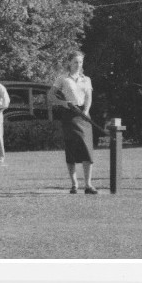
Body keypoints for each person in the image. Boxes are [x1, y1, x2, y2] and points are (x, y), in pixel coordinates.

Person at [48, 51, 97, 194]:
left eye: (80, 62)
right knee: (71, 149)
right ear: (69, 62)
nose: (78, 65)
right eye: (75, 62)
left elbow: (89, 97)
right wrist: (62, 103)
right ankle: (74, 184)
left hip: (83, 115)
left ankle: (88, 185)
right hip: (69, 114)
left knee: (87, 150)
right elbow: (50, 95)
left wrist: (86, 111)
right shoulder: (62, 78)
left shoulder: (86, 79)